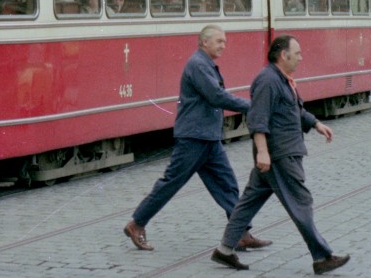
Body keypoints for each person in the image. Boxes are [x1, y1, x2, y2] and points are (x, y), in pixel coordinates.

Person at [124, 26, 271, 254]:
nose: (223, 45)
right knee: (171, 182)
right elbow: (216, 96)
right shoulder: (199, 65)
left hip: (207, 137)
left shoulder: (205, 64)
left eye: (225, 41)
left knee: (227, 184)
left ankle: (240, 233)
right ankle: (136, 223)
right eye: (219, 41)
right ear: (204, 42)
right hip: (194, 137)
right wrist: (253, 106)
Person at [210, 35, 349, 275]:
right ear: (283, 55)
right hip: (280, 156)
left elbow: (292, 110)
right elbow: (257, 120)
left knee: (247, 203)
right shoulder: (268, 81)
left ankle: (224, 250)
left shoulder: (281, 80)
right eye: (297, 53)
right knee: (301, 203)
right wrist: (263, 152)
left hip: (276, 156)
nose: (300, 58)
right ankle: (322, 257)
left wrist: (315, 123)